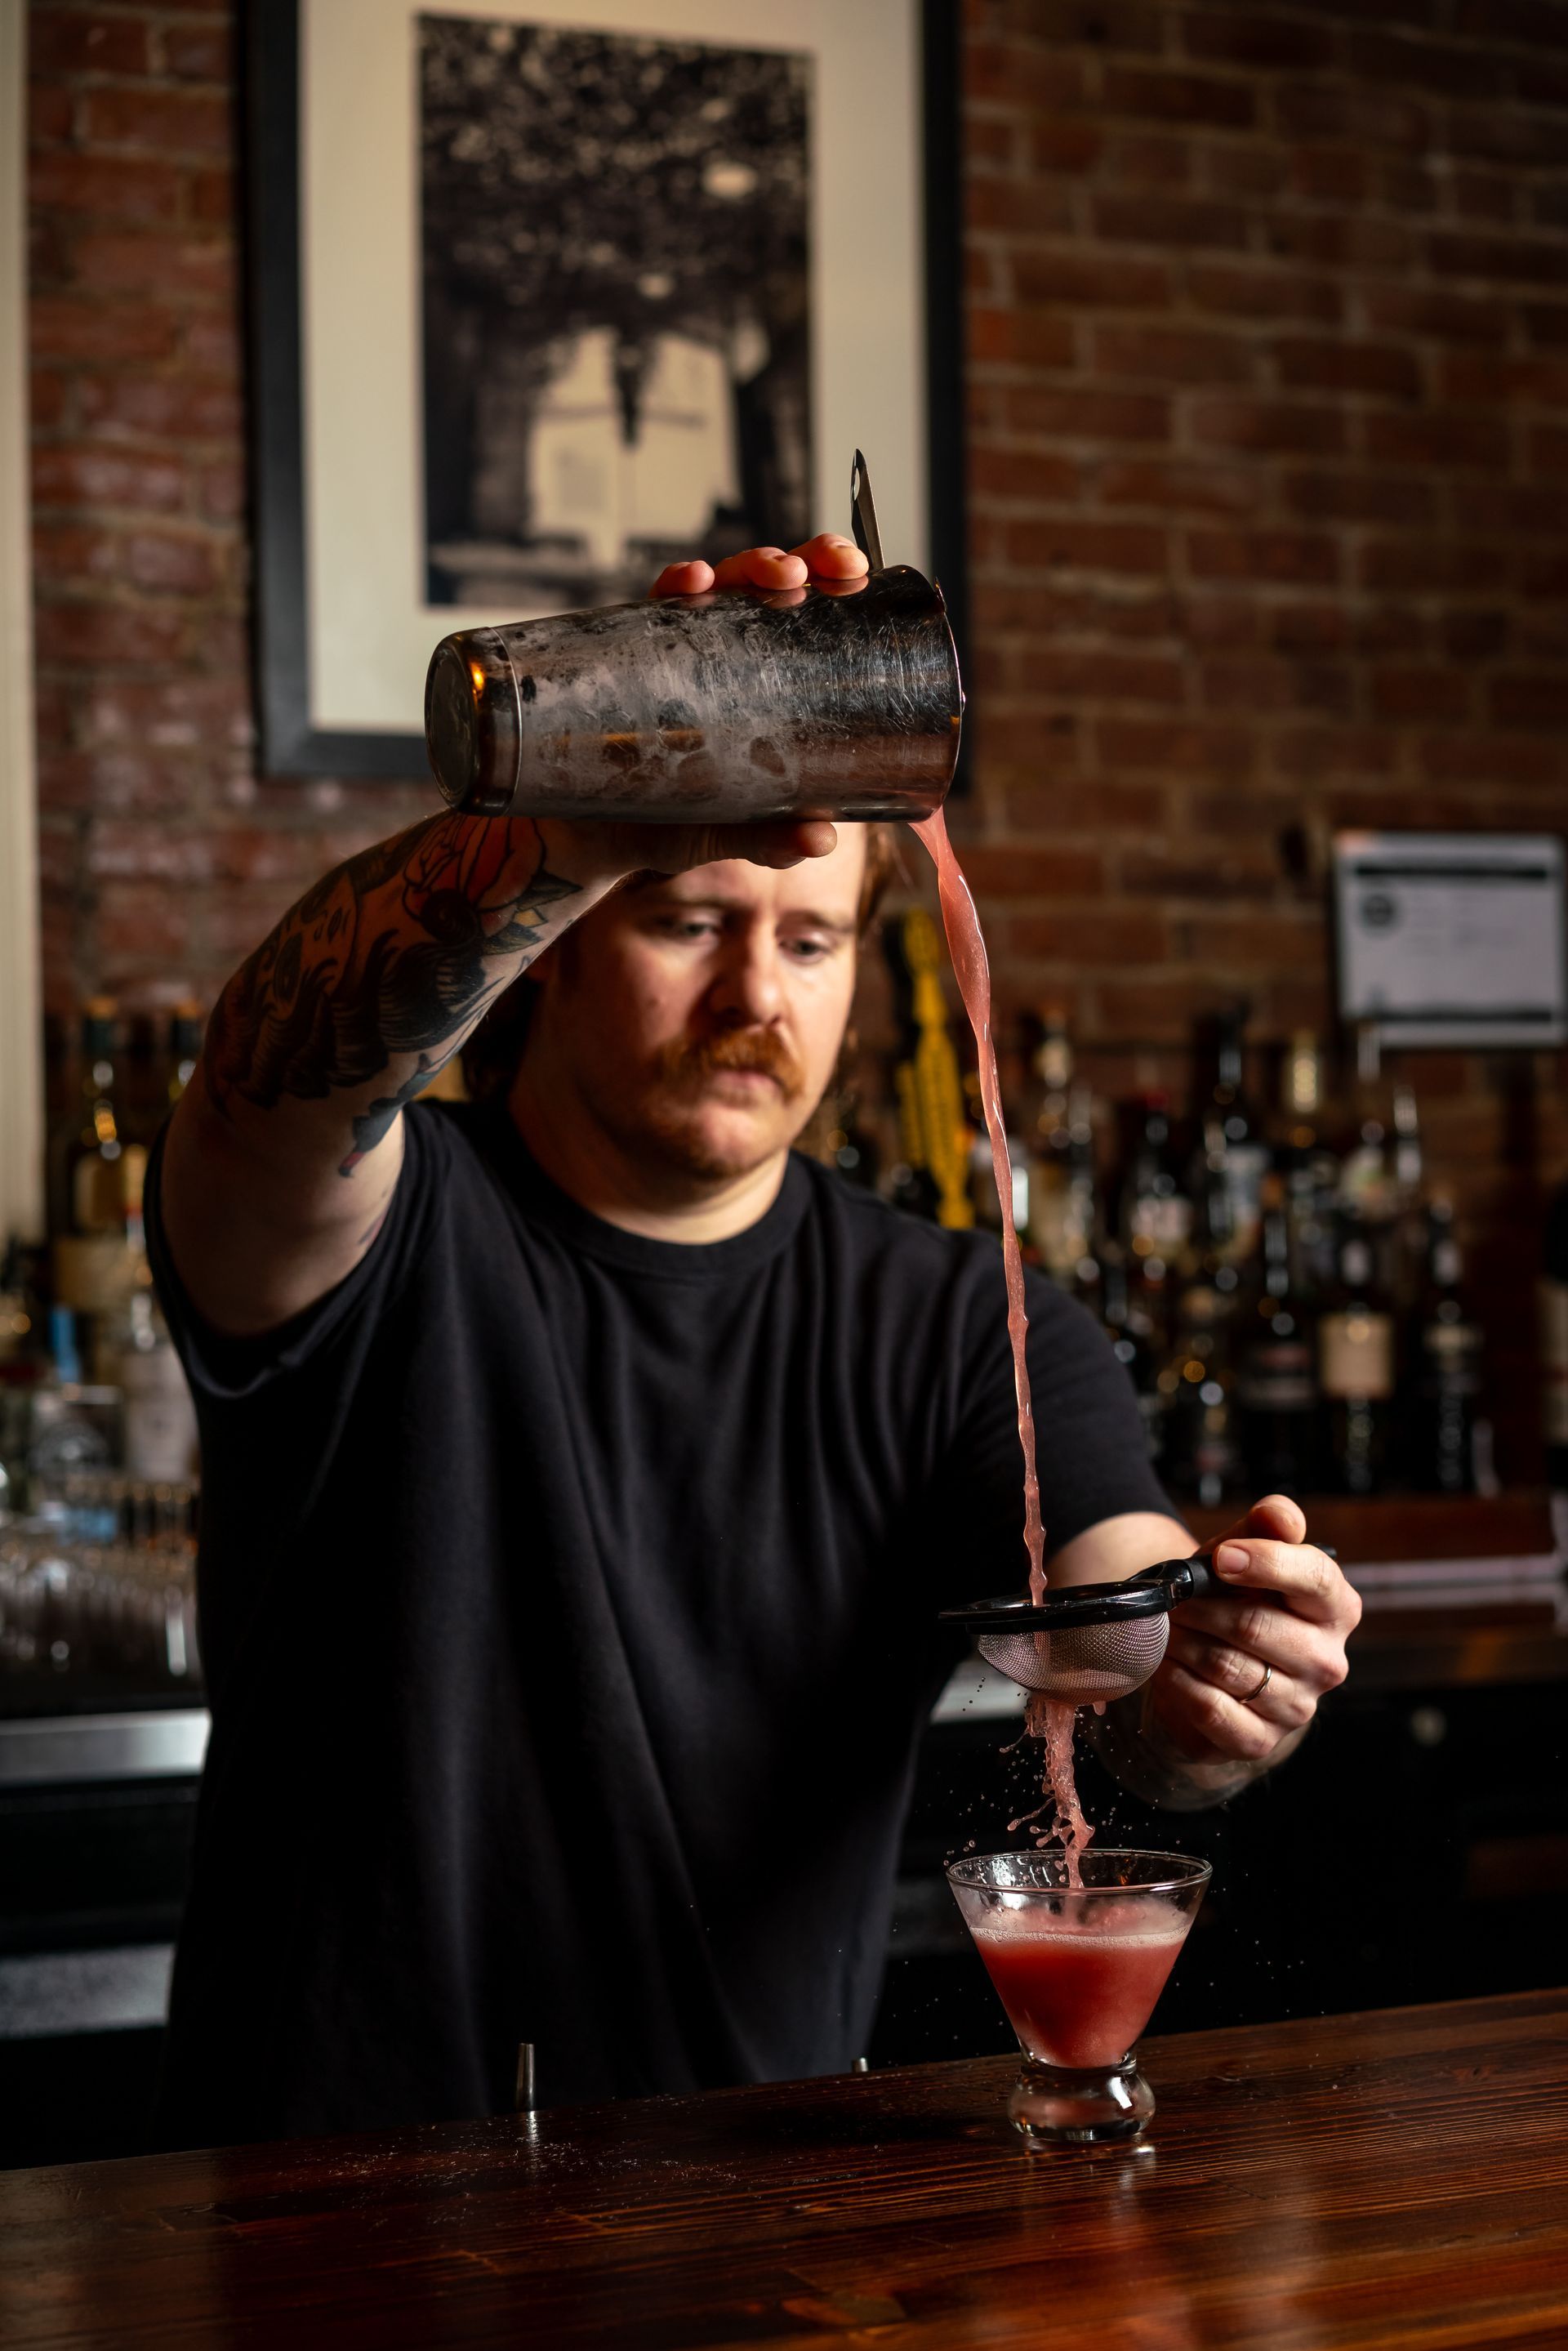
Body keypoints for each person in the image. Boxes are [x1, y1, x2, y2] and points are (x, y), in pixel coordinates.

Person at [149, 534, 1360, 2147]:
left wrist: (1216, 1677)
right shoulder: (374, 1228)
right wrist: (557, 825)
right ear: (558, 944)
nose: (755, 999)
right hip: (331, 2218)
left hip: (758, 2215)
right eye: (688, 920)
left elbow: (1119, 1615)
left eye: (810, 940)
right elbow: (264, 1086)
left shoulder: (953, 1318)